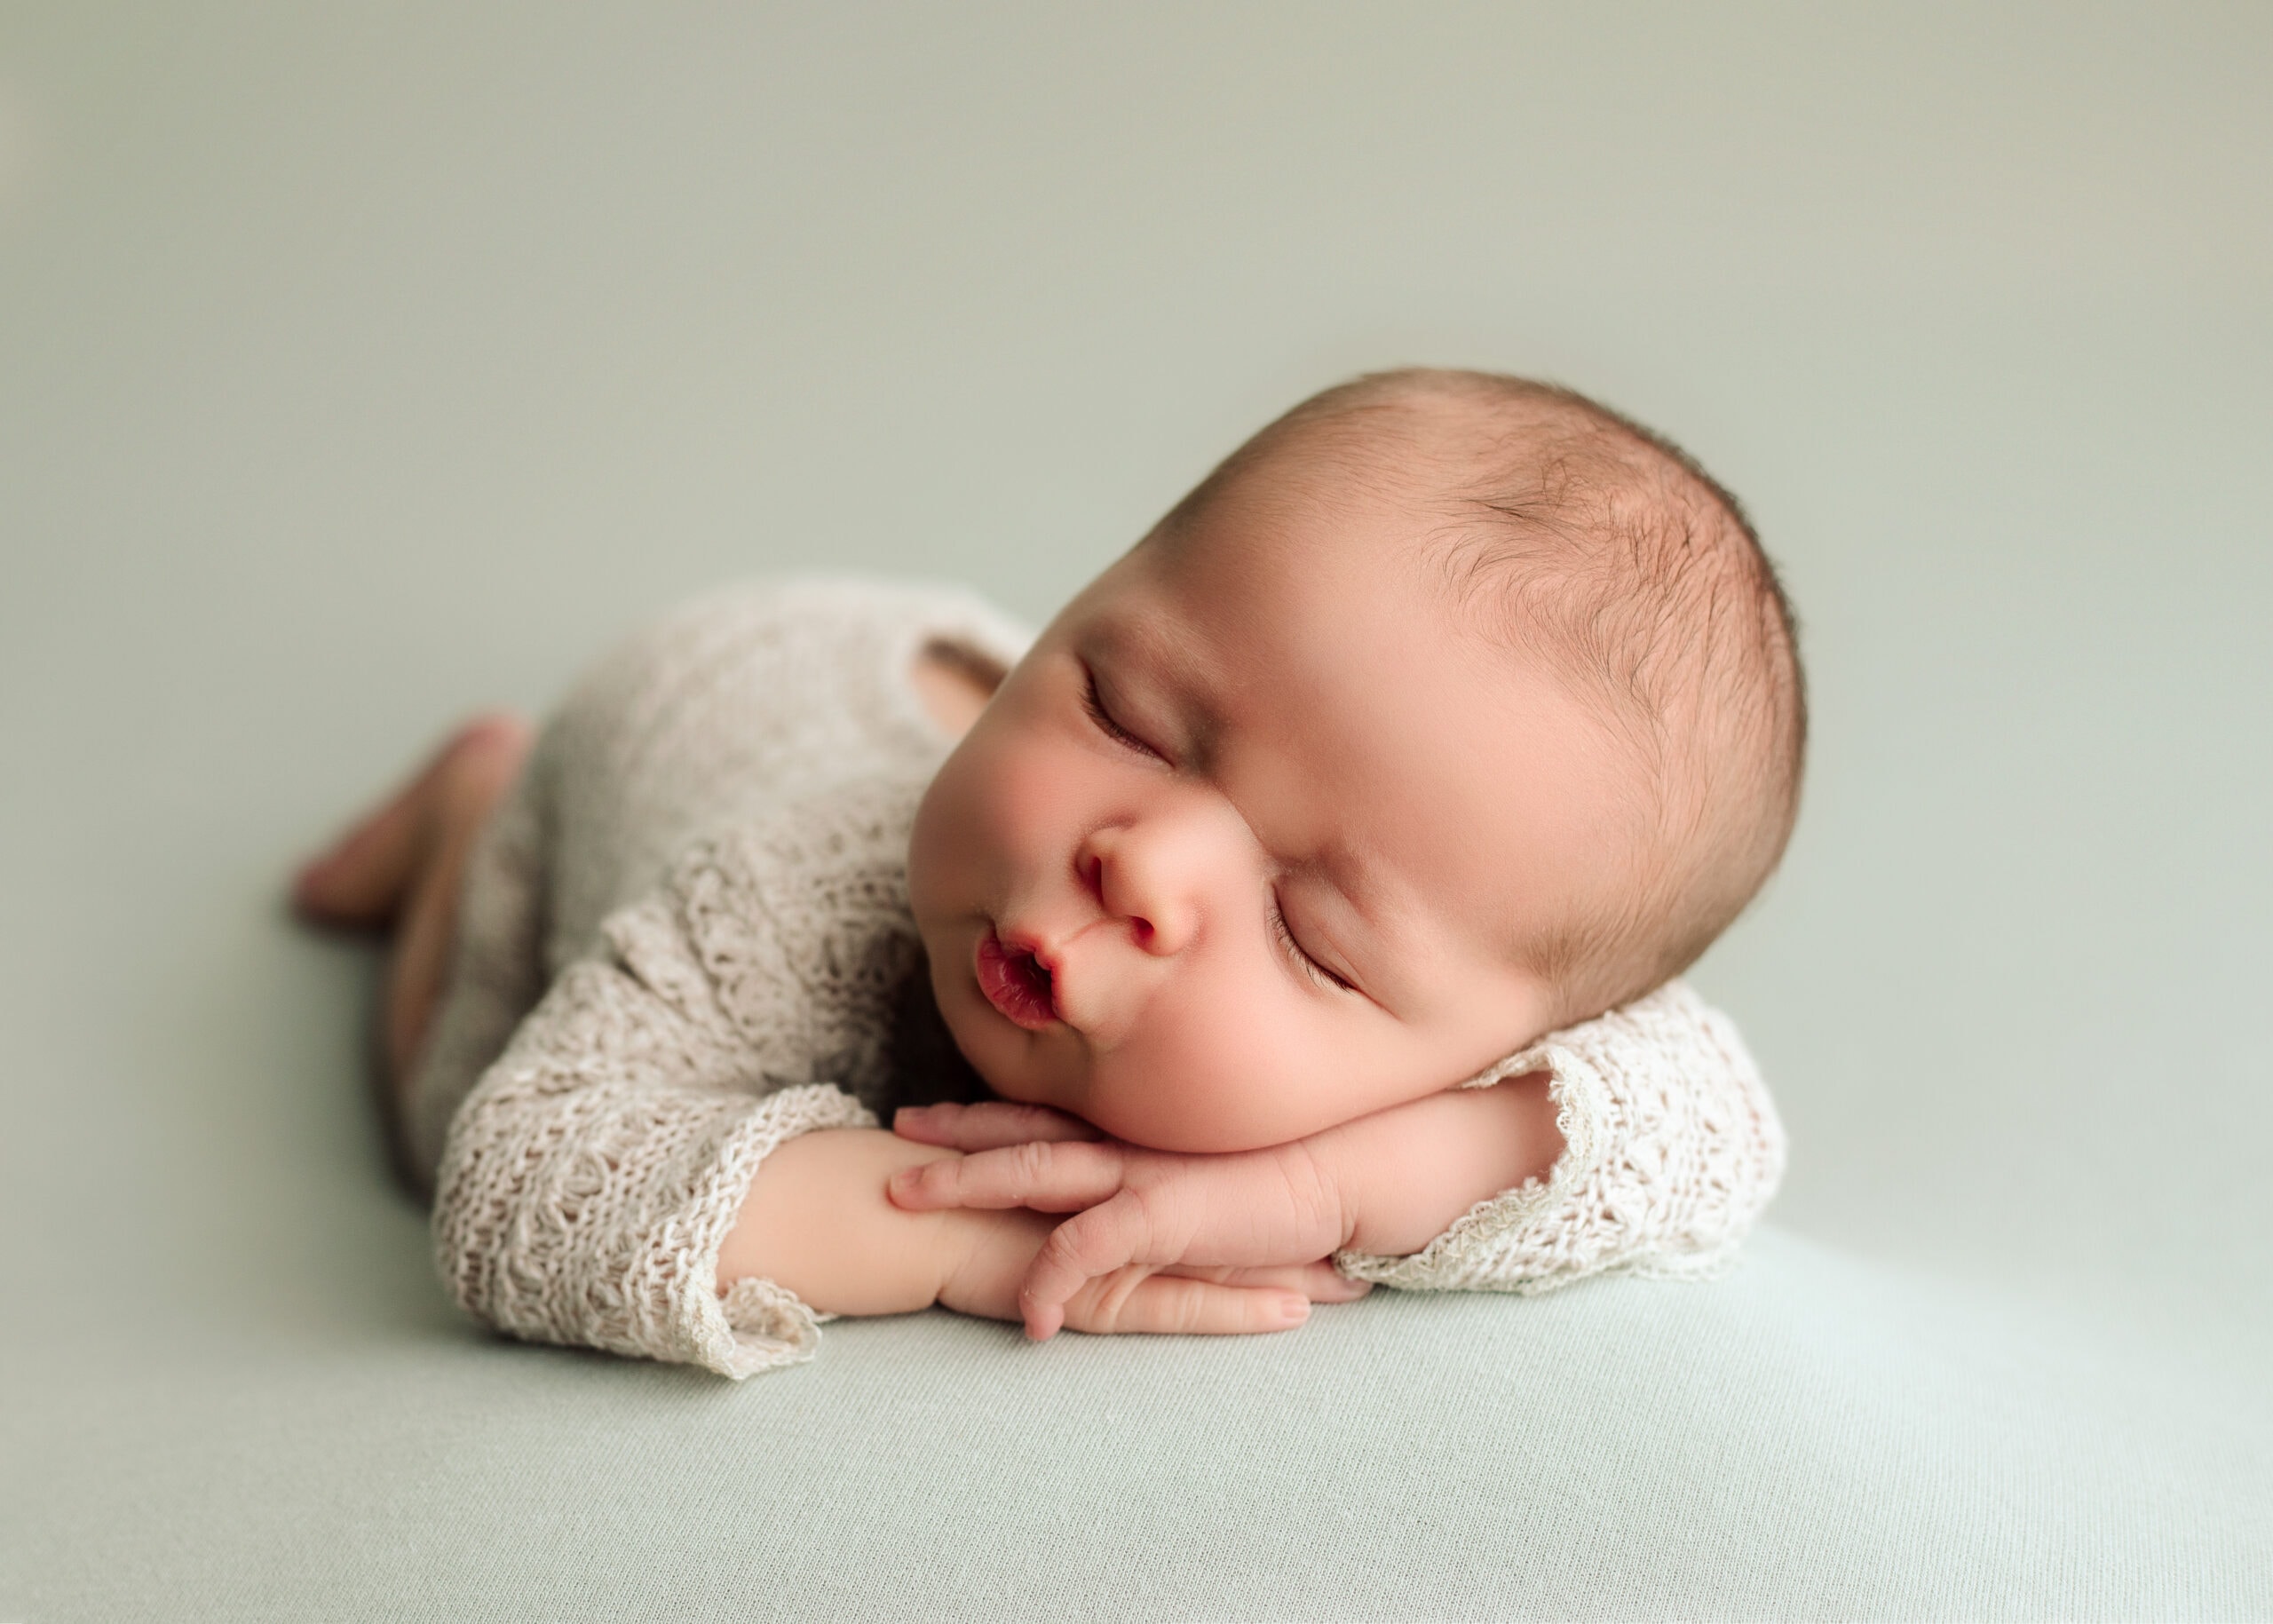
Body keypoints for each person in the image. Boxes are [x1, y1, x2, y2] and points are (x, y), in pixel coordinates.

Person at [294, 368, 1801, 1378]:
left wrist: (1320, 1183)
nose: (1139, 857)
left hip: (929, 658)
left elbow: (1718, 1126)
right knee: (433, 1102)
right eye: (1128, 712)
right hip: (691, 708)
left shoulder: (1477, 945)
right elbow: (522, 1178)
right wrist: (966, 1227)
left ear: (1486, 1039)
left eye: (1315, 934)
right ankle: (471, 805)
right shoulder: (793, 901)